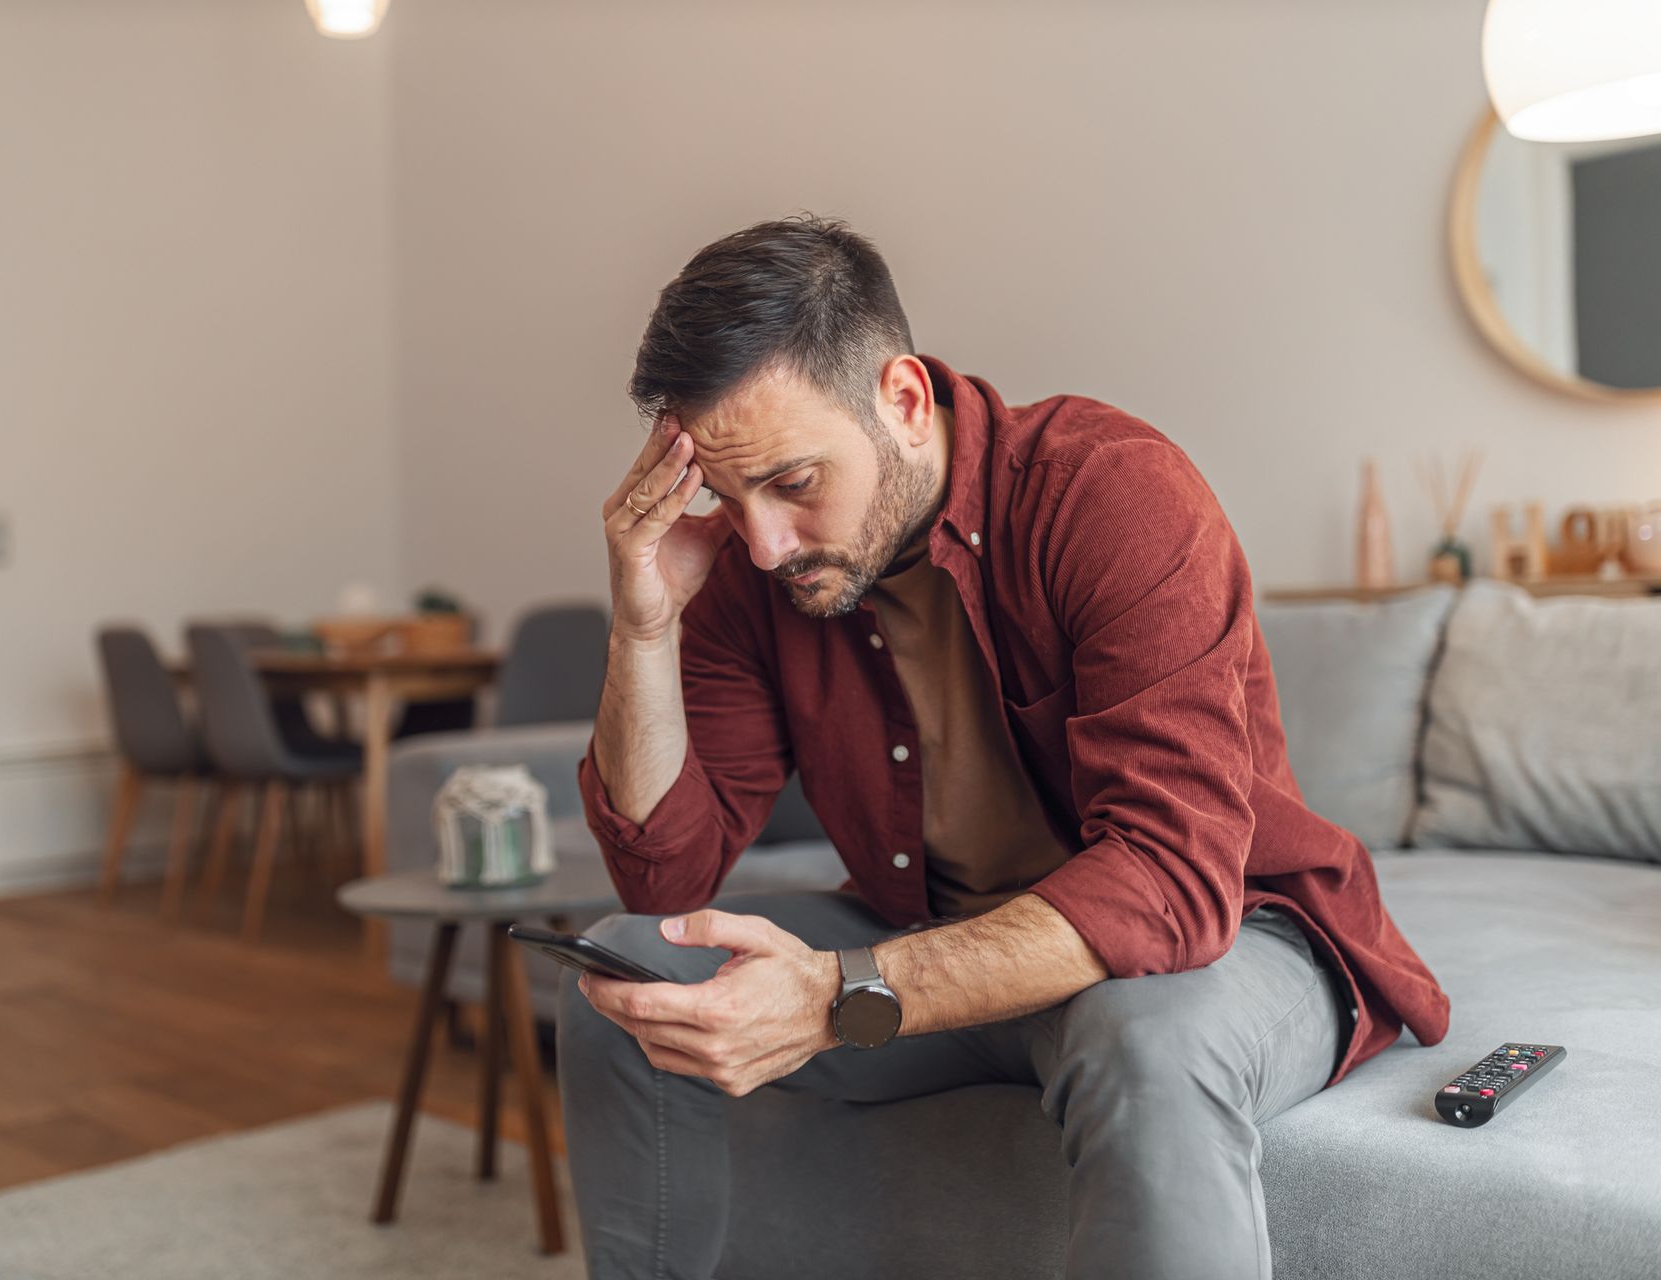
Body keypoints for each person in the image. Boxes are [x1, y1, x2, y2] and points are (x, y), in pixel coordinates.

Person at [558, 213, 1449, 1280]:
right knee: (631, 976)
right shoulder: (762, 570)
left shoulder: (1108, 490)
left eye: (794, 482)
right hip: (943, 933)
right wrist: (645, 625)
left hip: (1226, 937)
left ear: (901, 397)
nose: (761, 541)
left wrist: (843, 990)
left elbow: (1170, 877)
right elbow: (664, 873)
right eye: (729, 496)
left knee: (1141, 1034)